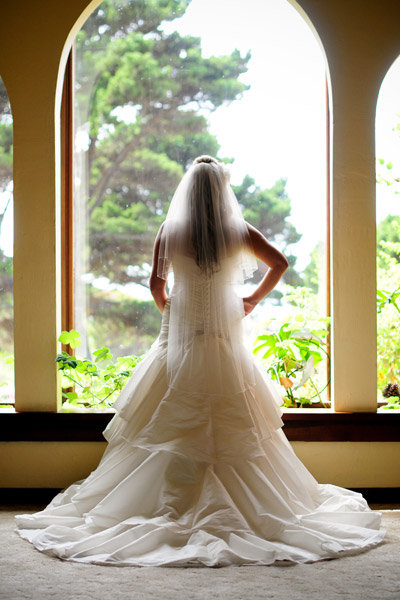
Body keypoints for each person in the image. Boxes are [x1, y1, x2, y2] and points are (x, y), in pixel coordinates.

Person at [15, 155, 386, 567]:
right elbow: (280, 263)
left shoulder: (171, 232)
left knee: (163, 423)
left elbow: (157, 283)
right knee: (236, 426)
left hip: (178, 339)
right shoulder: (238, 232)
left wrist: (170, 311)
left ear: (188, 192)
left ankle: (156, 508)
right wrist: (251, 300)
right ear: (221, 192)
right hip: (223, 341)